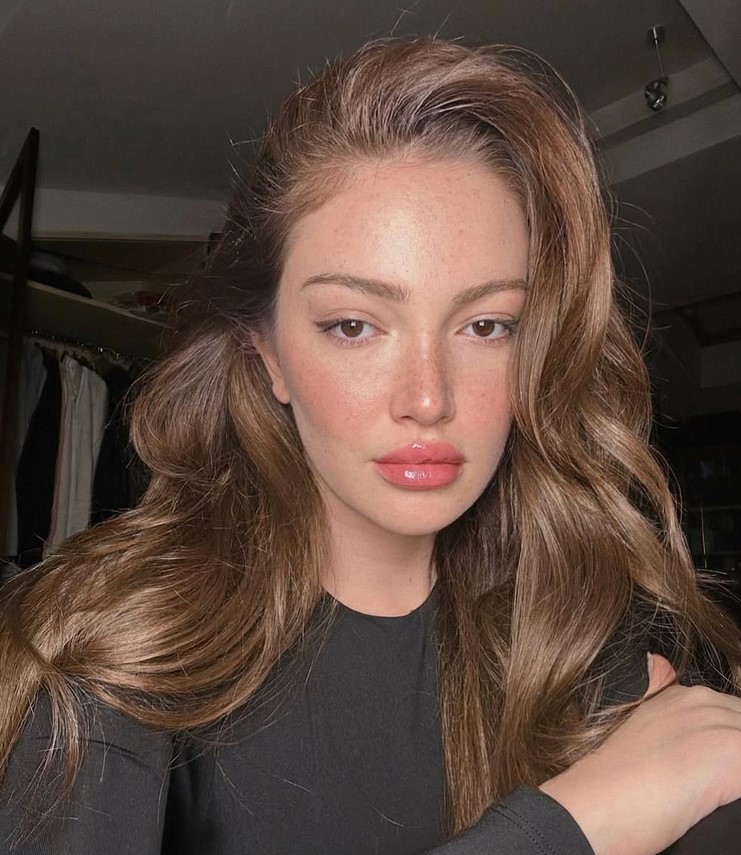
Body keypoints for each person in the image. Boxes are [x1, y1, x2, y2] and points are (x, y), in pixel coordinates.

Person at [2, 36, 741, 855]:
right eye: (354, 325)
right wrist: (576, 823)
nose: (427, 398)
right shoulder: (108, 650)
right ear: (266, 352)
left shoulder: (582, 630)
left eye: (486, 325)